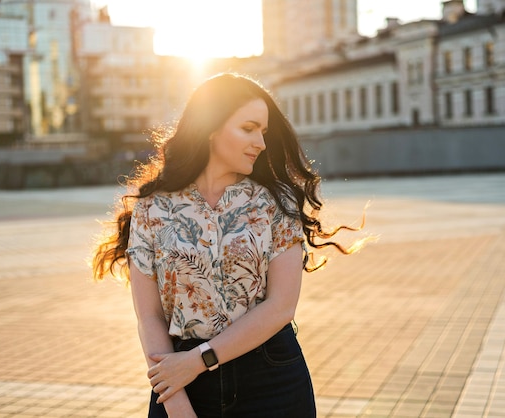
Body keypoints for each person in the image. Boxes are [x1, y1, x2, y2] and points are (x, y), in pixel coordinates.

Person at [92, 73, 366, 418]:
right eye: (248, 128)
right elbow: (149, 317)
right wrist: (175, 400)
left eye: (263, 132)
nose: (261, 143)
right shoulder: (153, 208)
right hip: (180, 380)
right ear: (210, 127)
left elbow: (281, 306)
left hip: (271, 378)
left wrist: (200, 360)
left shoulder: (275, 202)